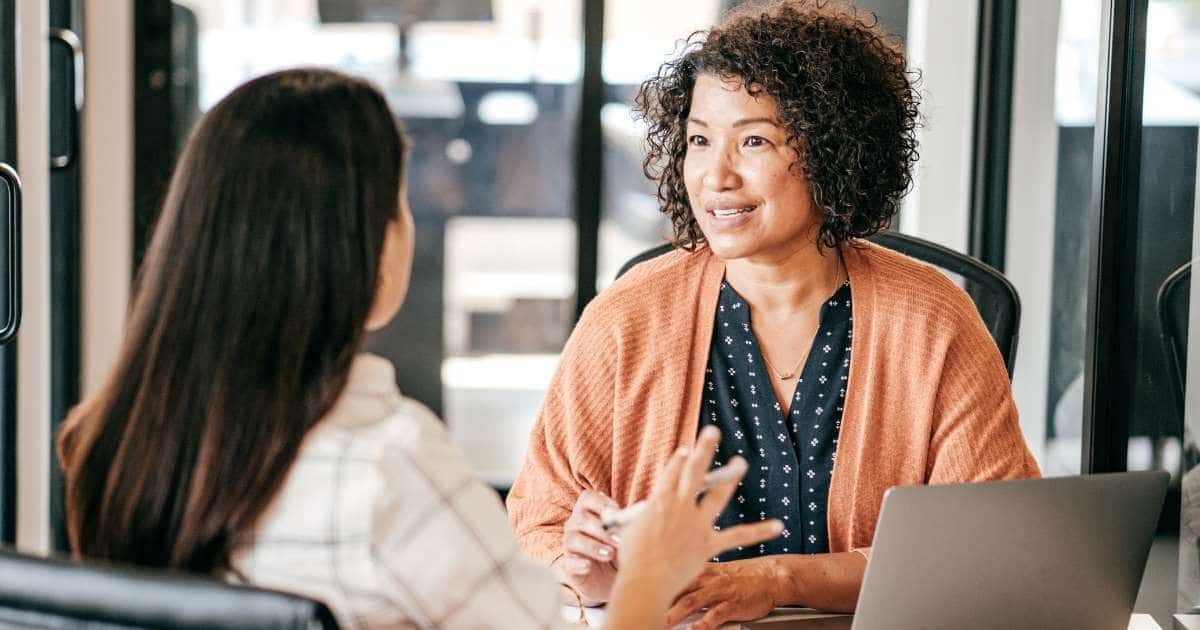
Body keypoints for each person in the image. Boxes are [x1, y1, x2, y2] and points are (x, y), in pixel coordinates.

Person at [56, 68, 781, 629]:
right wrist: (649, 574)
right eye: (400, 202)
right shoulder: (388, 463)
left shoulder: (113, 443)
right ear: (361, 247)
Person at [506, 1, 1041, 628]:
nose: (716, 176)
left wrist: (780, 579)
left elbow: (986, 549)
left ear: (834, 150)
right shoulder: (627, 318)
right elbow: (537, 527)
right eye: (699, 140)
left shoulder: (931, 318)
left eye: (753, 140)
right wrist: (587, 573)